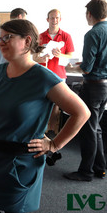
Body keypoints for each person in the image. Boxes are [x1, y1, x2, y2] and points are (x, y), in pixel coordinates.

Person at [0, 19, 90, 213]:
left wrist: (54, 145)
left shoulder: (44, 78)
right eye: (0, 39)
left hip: (21, 164)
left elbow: (82, 112)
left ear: (27, 41)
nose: (1, 42)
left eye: (8, 37)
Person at [64, 0, 107, 182]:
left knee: (88, 129)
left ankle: (86, 172)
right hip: (104, 86)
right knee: (96, 128)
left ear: (90, 14)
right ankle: (100, 168)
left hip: (93, 86)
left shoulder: (92, 33)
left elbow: (87, 68)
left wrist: (69, 68)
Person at [34, 9, 75, 137]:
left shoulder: (66, 36)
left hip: (59, 74)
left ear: (60, 19)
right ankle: (42, 129)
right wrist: (39, 57)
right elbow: (33, 55)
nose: (54, 20)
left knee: (57, 104)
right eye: (52, 18)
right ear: (47, 20)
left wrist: (60, 54)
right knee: (41, 101)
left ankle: (53, 131)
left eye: (57, 18)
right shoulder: (40, 36)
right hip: (42, 73)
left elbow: (70, 56)